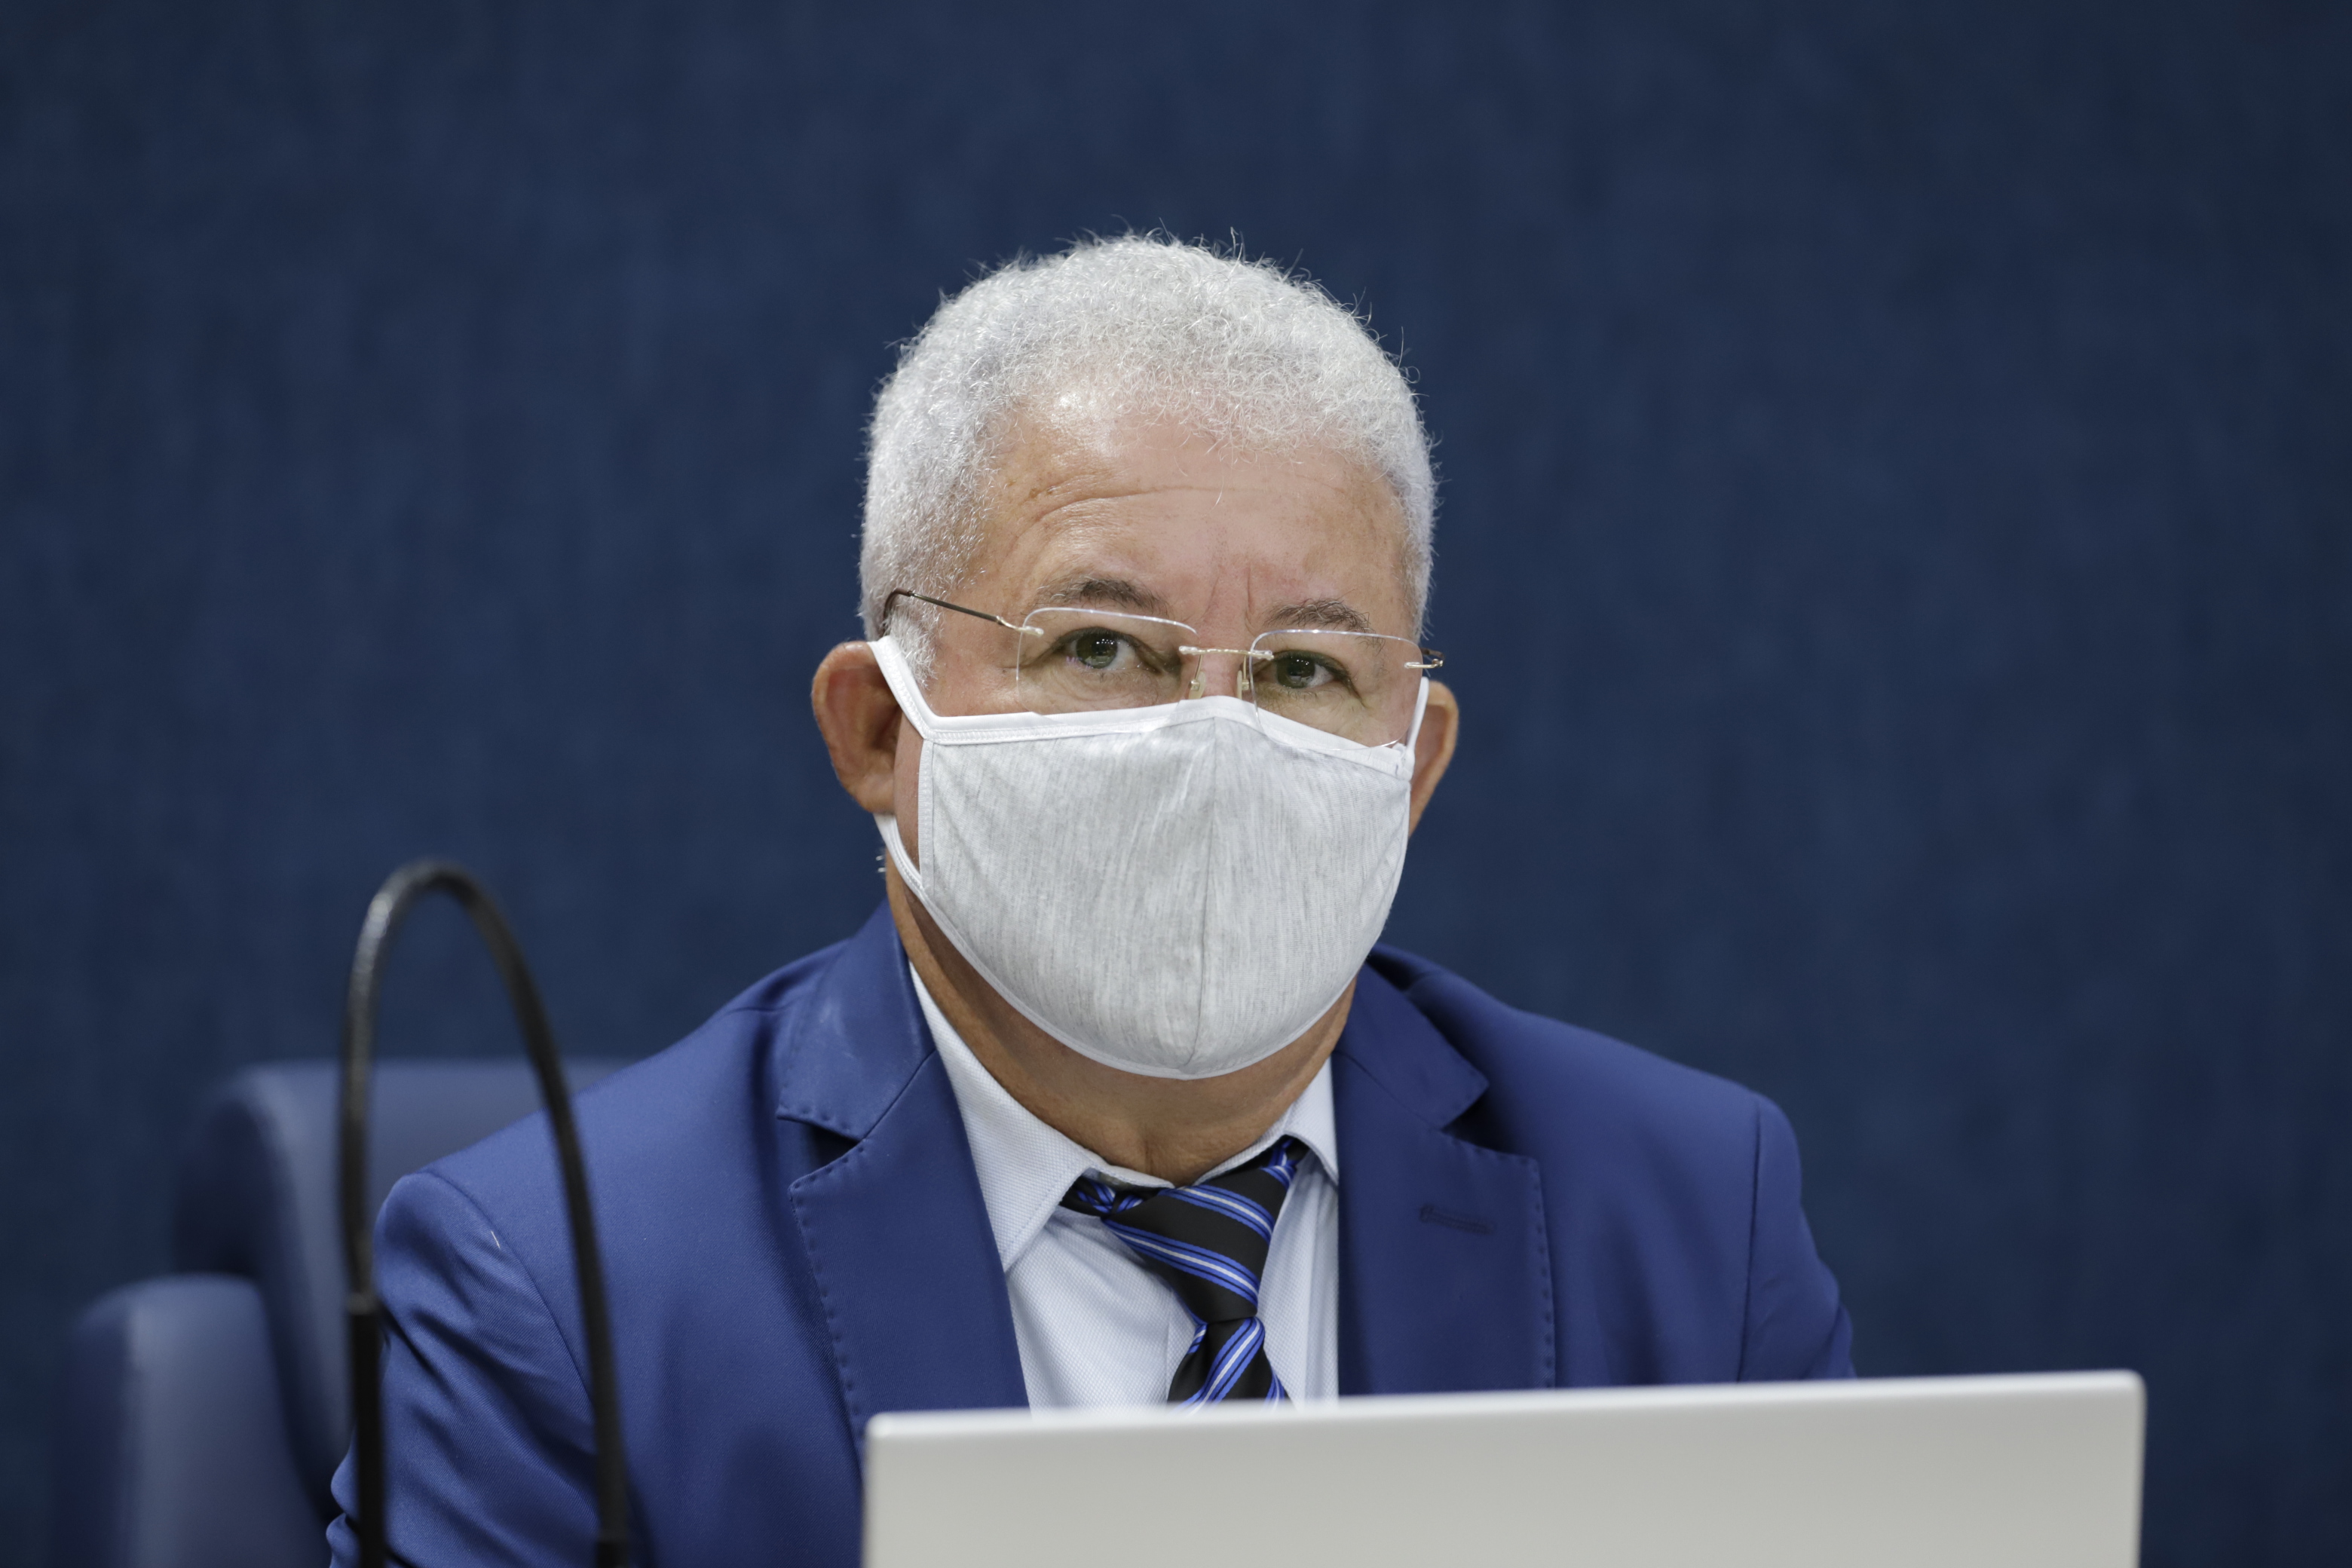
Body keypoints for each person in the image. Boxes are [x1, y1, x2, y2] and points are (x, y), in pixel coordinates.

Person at [328, 235, 1851, 1567]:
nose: (1212, 742)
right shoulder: (558, 1290)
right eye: (1101, 647)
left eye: (1304, 669)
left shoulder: (1688, 1225)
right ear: (881, 730)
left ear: (1413, 768)